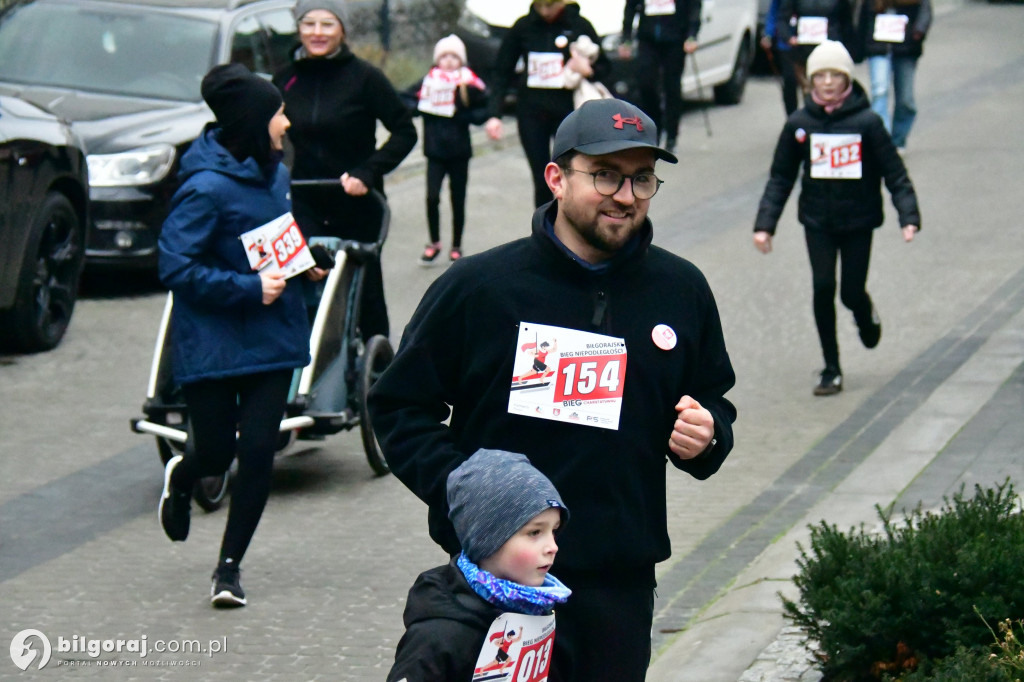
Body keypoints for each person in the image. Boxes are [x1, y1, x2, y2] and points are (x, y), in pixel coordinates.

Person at [370, 98, 737, 681]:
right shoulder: (480, 288)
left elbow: (713, 398)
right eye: (605, 175)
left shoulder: (680, 290)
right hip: (500, 583)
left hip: (618, 583)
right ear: (556, 178)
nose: (625, 195)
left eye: (642, 178)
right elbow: (398, 407)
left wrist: (708, 435)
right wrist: (465, 491)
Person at [157, 63, 312, 607]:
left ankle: (228, 569)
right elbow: (175, 266)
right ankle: (184, 478)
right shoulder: (204, 188)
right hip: (215, 342)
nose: (286, 123)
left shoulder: (276, 174)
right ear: (253, 122)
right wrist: (248, 288)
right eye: (279, 114)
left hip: (273, 337)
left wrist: (302, 263)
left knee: (261, 450)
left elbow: (273, 236)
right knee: (216, 453)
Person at [752, 40, 921, 396]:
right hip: (818, 222)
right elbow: (781, 177)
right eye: (820, 76)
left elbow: (895, 173)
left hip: (859, 221)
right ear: (810, 80)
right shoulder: (799, 124)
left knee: (850, 292)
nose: (827, 82)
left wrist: (908, 215)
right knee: (823, 287)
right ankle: (831, 367)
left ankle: (865, 312)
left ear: (847, 79)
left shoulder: (868, 123)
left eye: (835, 75)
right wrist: (765, 225)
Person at [273, 0, 416, 340]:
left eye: (327, 24)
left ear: (342, 30)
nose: (317, 33)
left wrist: (368, 171)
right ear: (298, 28)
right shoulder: (285, 79)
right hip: (304, 199)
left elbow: (405, 131)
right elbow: (267, 133)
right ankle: (311, 364)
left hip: (356, 200)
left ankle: (379, 361)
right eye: (309, 24)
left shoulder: (365, 77)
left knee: (365, 295)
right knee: (306, 284)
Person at [385, 448, 572, 682]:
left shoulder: (539, 611)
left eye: (554, 531)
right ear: (487, 539)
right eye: (534, 532)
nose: (552, 546)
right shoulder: (440, 636)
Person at [484, 0, 611, 208]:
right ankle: (544, 225)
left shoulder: (579, 25)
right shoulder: (523, 27)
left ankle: (572, 221)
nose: (545, 11)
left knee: (571, 175)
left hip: (568, 113)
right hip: (532, 113)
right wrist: (494, 114)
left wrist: (588, 70)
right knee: (542, 177)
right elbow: (502, 71)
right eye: (540, 6)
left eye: (550, 6)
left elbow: (605, 67)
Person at [408, 34, 488, 265]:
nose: (449, 61)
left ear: (461, 60)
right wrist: (421, 107)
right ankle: (434, 242)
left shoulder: (469, 84)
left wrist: (464, 114)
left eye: (455, 56)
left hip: (459, 151)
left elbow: (484, 109)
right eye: (444, 56)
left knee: (458, 198)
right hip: (434, 151)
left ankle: (456, 245)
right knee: (432, 197)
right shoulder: (428, 82)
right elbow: (405, 100)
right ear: (437, 59)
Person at [618, 0, 702, 153]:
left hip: (675, 38)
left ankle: (672, 136)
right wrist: (626, 37)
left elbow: (694, 6)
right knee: (646, 84)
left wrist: (692, 35)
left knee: (672, 87)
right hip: (648, 38)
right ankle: (654, 126)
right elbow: (630, 7)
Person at [857, 0, 932, 151]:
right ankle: (882, 141)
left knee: (905, 99)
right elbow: (864, 15)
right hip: (878, 46)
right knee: (879, 91)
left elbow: (925, 10)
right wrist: (859, 45)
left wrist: (919, 31)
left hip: (906, 47)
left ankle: (898, 139)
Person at [776, 0, 854, 100]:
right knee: (805, 88)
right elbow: (782, 18)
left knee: (829, 86)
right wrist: (788, 37)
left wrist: (847, 48)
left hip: (830, 49)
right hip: (803, 49)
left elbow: (846, 22)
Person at [761, 0, 801, 115]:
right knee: (789, 80)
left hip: (810, 41)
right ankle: (792, 116)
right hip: (786, 42)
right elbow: (774, 10)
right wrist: (768, 34)